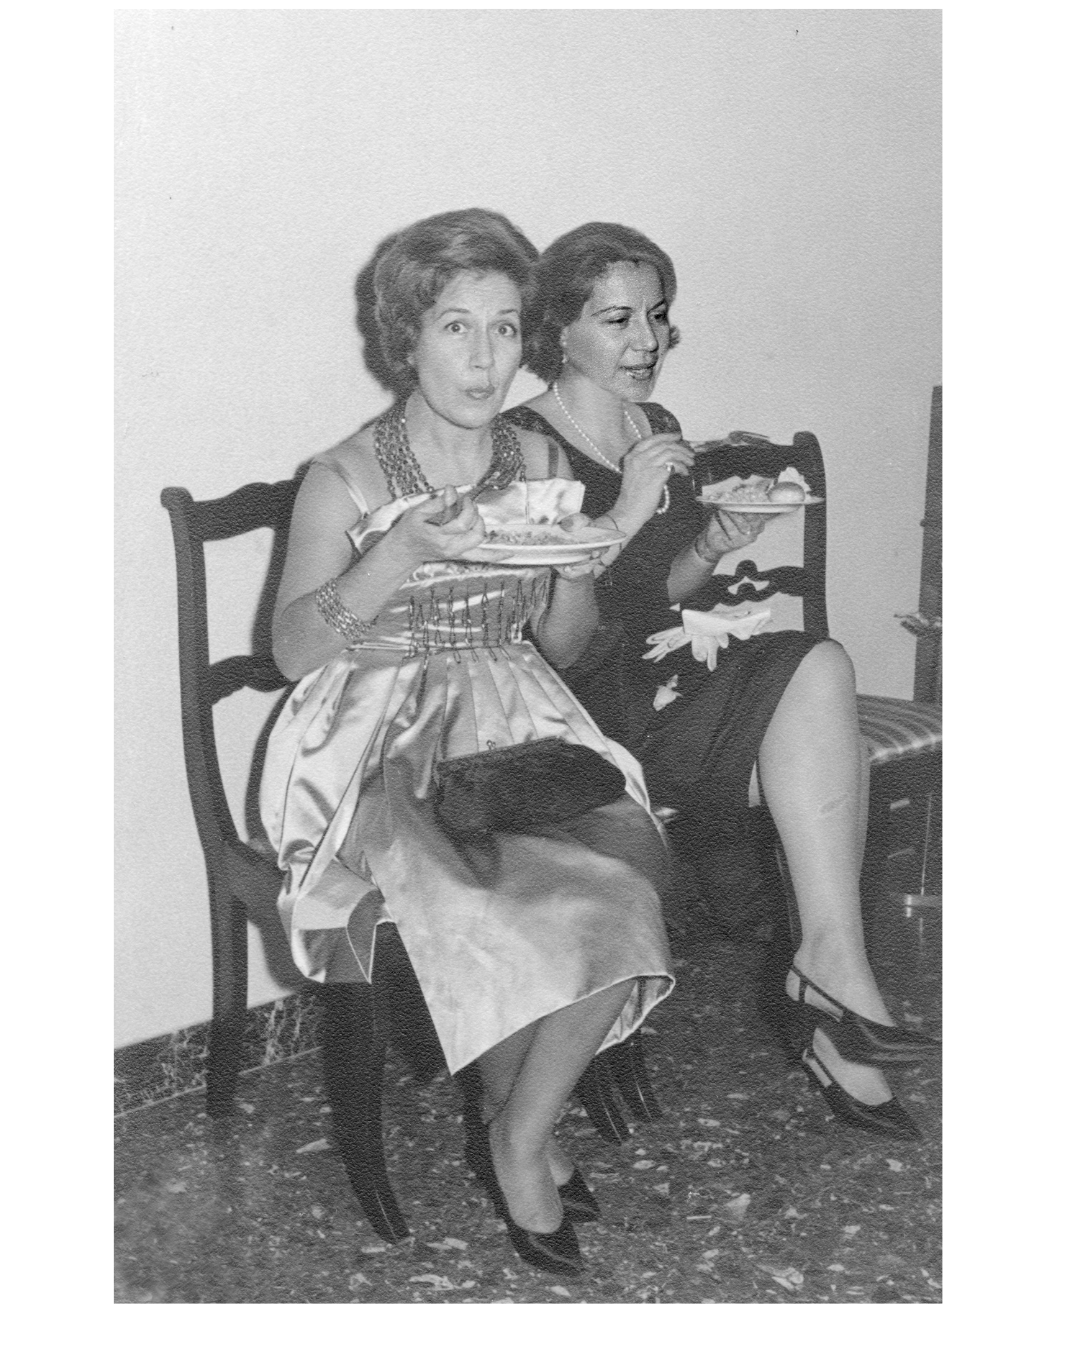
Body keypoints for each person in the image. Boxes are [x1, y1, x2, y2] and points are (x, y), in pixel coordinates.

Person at [259, 210, 673, 1276]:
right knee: (487, 893)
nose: (485, 359)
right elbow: (296, 651)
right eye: (456, 329)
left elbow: (563, 644)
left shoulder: (533, 451)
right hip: (376, 728)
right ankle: (524, 1135)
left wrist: (575, 562)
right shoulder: (346, 477)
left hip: (520, 713)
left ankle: (515, 1129)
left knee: (625, 877)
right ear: (408, 339)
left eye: (501, 329)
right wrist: (393, 554)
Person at [504, 222, 937, 1142]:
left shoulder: (653, 426)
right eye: (617, 319)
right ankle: (830, 991)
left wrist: (707, 543)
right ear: (559, 329)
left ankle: (832, 963)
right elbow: (558, 641)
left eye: (657, 316)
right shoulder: (527, 446)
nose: (646, 342)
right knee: (809, 693)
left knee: (813, 660)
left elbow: (651, 595)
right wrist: (623, 508)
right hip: (575, 716)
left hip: (662, 682)